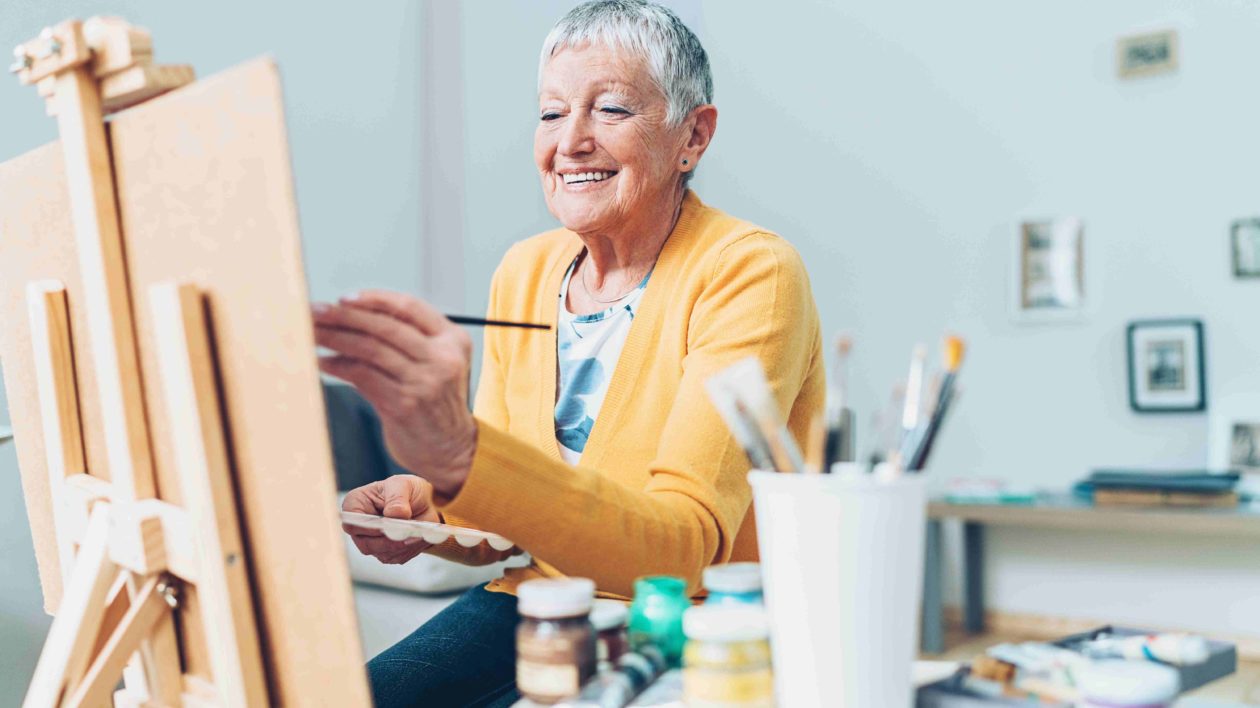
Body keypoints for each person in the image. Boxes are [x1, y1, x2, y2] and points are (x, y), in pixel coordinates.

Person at [312, 1, 823, 705]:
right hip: (536, 602)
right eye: (552, 114)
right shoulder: (523, 270)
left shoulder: (751, 272)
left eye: (610, 109)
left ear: (692, 137)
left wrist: (458, 453)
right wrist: (426, 503)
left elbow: (678, 555)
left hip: (688, 622)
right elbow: (509, 492)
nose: (571, 140)